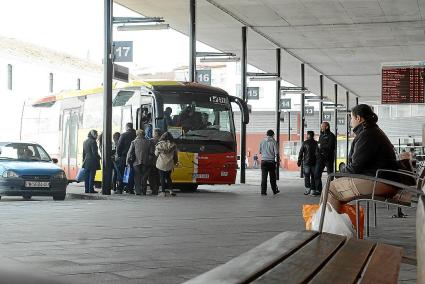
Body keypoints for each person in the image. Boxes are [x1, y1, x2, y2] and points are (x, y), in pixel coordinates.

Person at [324, 104, 399, 213]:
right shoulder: (373, 131)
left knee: (330, 189)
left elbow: (356, 166)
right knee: (333, 186)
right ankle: (331, 224)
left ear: (358, 118)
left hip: (381, 182)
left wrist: (338, 174)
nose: (350, 122)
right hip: (384, 180)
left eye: (351, 118)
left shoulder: (367, 135)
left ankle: (329, 226)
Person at [127, 129, 154, 195]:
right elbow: (151, 152)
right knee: (144, 177)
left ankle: (138, 191)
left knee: (137, 177)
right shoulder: (148, 142)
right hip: (145, 161)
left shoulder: (134, 142)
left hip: (136, 162)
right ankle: (144, 191)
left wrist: (127, 161)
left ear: (137, 134)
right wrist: (149, 160)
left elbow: (129, 152)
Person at [314, 122, 336, 195]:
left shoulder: (332, 136)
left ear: (327, 127)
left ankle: (331, 190)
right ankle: (318, 190)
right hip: (320, 158)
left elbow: (330, 147)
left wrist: (321, 147)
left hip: (328, 158)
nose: (321, 128)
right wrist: (317, 153)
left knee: (330, 175)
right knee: (317, 173)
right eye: (321, 127)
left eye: (322, 126)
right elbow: (318, 145)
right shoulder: (321, 136)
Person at [155, 132, 178, 197]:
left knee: (162, 177)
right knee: (168, 177)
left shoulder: (159, 145)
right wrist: (176, 161)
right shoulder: (173, 145)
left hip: (161, 163)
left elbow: (156, 154)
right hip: (170, 163)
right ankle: (171, 190)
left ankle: (163, 192)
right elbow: (175, 155)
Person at [116, 122, 136, 194]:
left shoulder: (123, 135)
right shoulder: (135, 135)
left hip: (124, 157)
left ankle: (120, 189)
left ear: (127, 127)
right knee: (130, 173)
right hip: (133, 157)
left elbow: (119, 147)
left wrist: (119, 155)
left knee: (121, 173)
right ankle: (130, 189)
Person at [258, 129, 280, 195]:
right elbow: (276, 152)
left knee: (264, 178)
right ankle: (274, 191)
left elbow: (260, 151)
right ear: (273, 135)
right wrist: (278, 160)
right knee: (272, 177)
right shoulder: (274, 142)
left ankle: (263, 192)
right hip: (271, 162)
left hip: (264, 161)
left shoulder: (262, 141)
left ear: (266, 134)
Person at [297, 131, 319, 195]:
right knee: (313, 176)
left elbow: (301, 152)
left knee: (306, 176)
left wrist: (299, 161)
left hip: (306, 162)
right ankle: (313, 190)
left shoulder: (305, 143)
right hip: (314, 162)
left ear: (308, 135)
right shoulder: (316, 143)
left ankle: (307, 189)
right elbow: (318, 153)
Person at [82, 130, 101, 194]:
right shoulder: (93, 142)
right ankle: (91, 189)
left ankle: (86, 190)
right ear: (93, 134)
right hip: (92, 161)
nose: (97, 136)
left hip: (86, 161)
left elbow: (84, 153)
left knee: (86, 176)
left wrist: (83, 161)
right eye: (96, 134)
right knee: (92, 176)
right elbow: (94, 152)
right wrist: (99, 157)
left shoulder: (85, 141)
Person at [148, 128, 162, 195]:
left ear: (155, 134)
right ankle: (157, 188)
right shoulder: (162, 141)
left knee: (151, 175)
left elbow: (150, 151)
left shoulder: (151, 141)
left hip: (153, 161)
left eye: (153, 133)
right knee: (157, 176)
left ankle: (153, 189)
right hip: (160, 161)